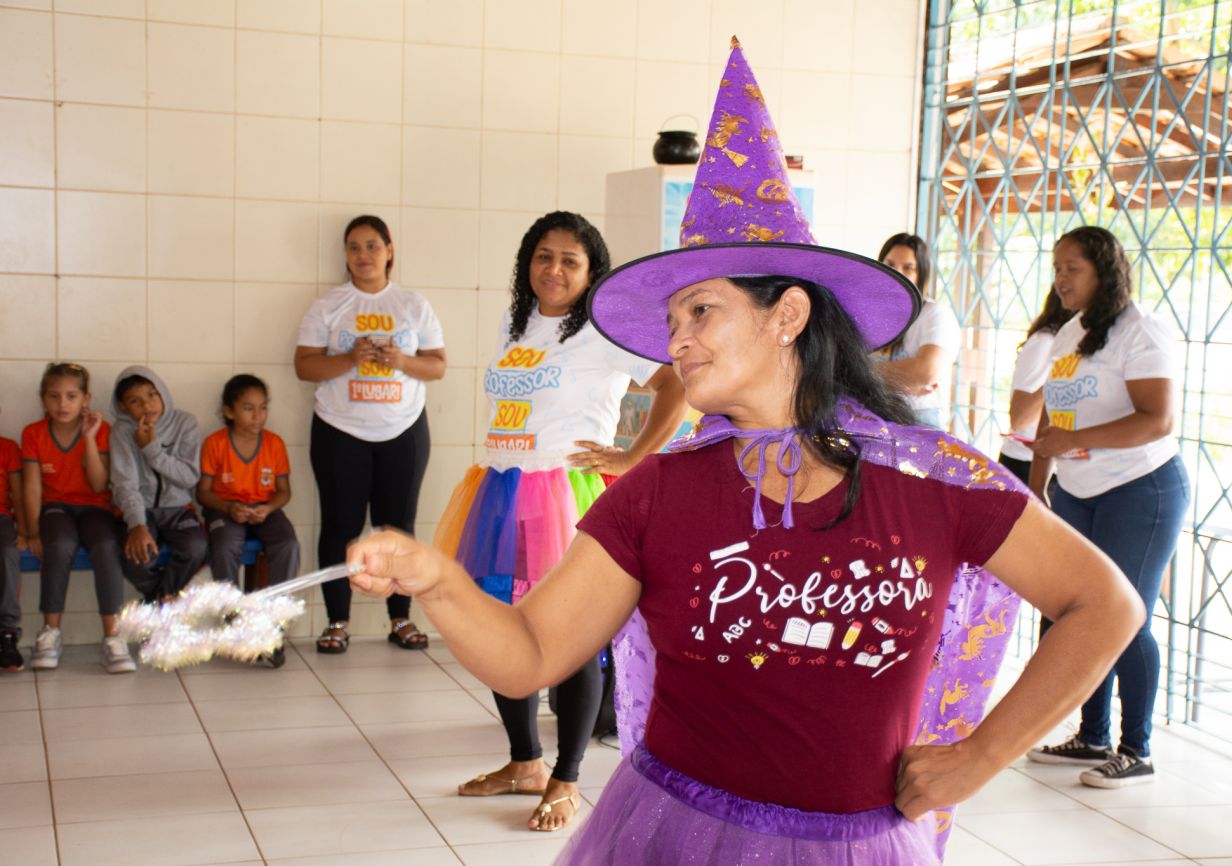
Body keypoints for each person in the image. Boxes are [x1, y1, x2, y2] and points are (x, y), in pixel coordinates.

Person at [345, 40, 1143, 865]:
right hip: (667, 836)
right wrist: (436, 580)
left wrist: (982, 755)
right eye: (672, 322)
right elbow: (531, 656)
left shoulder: (934, 481)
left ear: (787, 315)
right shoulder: (657, 491)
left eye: (700, 311)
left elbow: (1104, 604)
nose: (676, 342)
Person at [433, 210, 686, 832]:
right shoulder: (514, 321)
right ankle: (524, 762)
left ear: (591, 272)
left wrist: (632, 456)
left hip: (565, 496)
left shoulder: (604, 331)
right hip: (501, 491)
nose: (554, 269)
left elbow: (675, 383)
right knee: (500, 629)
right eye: (544, 256)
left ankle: (565, 778)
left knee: (572, 638)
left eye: (570, 260)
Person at [1027, 226, 1189, 788]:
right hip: (1077, 492)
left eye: (1072, 268)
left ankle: (1136, 749)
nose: (1060, 279)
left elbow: (1157, 420)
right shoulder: (1072, 330)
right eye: (1057, 267)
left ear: (1104, 271)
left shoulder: (1141, 331)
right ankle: (1091, 736)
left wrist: (1073, 442)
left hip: (1140, 490)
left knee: (1125, 615)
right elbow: (1053, 412)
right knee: (1077, 612)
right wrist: (1039, 485)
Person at [294, 215, 447, 654]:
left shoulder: (412, 304)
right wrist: (349, 358)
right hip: (339, 431)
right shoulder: (328, 305)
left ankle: (401, 618)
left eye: (372, 246)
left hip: (404, 431)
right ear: (345, 255)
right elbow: (304, 366)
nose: (363, 255)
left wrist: (401, 361)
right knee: (339, 526)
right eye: (354, 247)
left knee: (398, 528)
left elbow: (437, 365)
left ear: (389, 251)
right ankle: (336, 622)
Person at [21, 363, 134, 673]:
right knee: (59, 544)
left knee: (106, 546)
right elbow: (32, 487)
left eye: (71, 396)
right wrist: (32, 531)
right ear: (43, 398)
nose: (62, 404)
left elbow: (99, 484)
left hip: (95, 507)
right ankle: (50, 633)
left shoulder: (102, 430)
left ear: (86, 399)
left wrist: (89, 438)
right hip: (56, 507)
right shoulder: (33, 433)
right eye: (54, 396)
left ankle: (113, 637)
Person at [197, 374, 301, 667]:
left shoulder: (274, 444)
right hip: (224, 509)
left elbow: (284, 492)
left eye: (263, 407)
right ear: (229, 412)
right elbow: (203, 493)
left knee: (288, 544)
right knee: (224, 545)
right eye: (248, 408)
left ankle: (272, 623)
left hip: (265, 510)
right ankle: (236, 620)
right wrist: (229, 508)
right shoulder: (215, 443)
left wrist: (268, 509)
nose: (258, 415)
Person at [110, 366, 208, 603]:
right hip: (140, 510)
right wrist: (137, 525)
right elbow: (125, 483)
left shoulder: (185, 423)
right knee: (136, 558)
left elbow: (189, 476)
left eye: (152, 395)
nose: (147, 405)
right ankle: (164, 602)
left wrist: (151, 450)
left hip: (178, 509)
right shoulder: (122, 431)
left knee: (197, 548)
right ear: (123, 406)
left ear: (162, 392)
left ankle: (158, 603)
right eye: (135, 401)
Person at [875, 233, 961, 428]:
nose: (896, 273)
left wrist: (863, 370)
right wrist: (903, 380)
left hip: (920, 424)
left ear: (920, 274)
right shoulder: (871, 314)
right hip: (875, 420)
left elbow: (927, 371)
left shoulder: (935, 314)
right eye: (889, 265)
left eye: (908, 267)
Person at [997, 292, 1073, 485]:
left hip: (1059, 466)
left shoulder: (1074, 343)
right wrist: (1059, 378)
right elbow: (1019, 418)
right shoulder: (1044, 342)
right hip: (1026, 465)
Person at [0, 416, 22, 672]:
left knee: (7, 552)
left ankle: (7, 633)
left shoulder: (7, 448)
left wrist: (26, 530)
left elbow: (18, 492)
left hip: (2, 518)